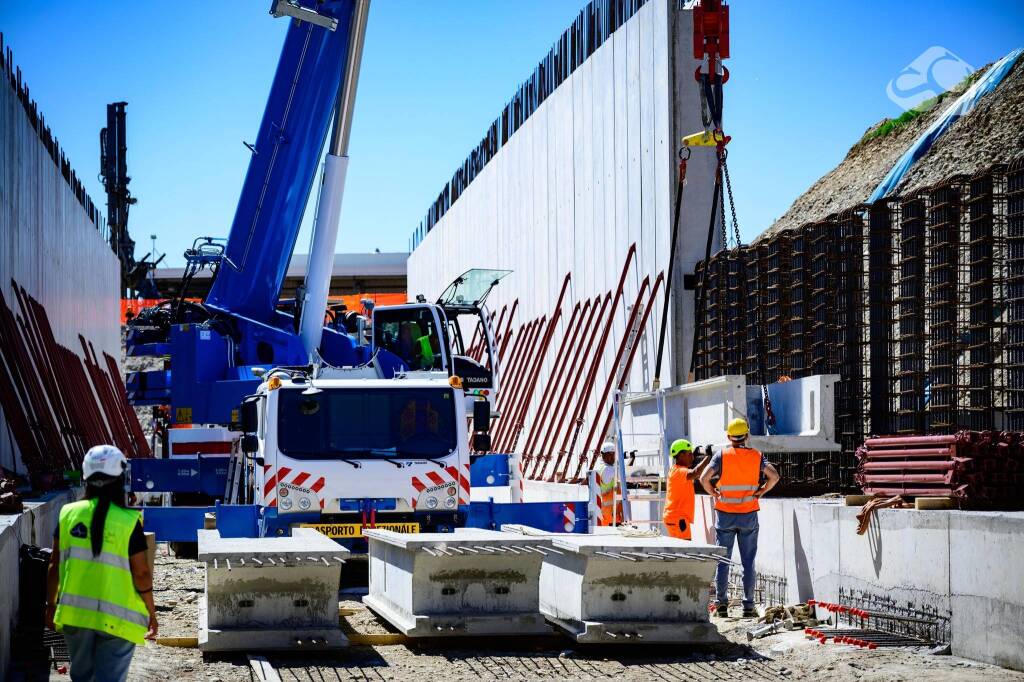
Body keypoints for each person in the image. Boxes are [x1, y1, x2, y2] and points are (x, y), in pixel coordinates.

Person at [46, 445, 158, 682]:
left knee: (82, 677)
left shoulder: (68, 514)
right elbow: (141, 573)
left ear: (86, 476)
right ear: (120, 479)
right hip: (118, 621)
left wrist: (50, 605)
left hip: (75, 616)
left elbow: (54, 565)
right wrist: (151, 610)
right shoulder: (128, 521)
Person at [698, 418, 780, 619]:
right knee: (748, 562)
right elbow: (775, 477)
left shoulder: (722, 455)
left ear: (729, 437)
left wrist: (714, 493)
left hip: (725, 515)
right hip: (748, 515)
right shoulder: (757, 456)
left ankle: (722, 606)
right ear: (747, 436)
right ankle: (748, 606)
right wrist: (761, 491)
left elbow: (703, 478)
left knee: (723, 561)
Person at [663, 440, 711, 540]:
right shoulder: (679, 471)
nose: (692, 458)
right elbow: (695, 472)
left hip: (675, 517)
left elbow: (693, 471)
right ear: (681, 455)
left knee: (680, 549)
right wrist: (708, 457)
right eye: (689, 454)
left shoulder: (676, 470)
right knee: (685, 550)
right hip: (678, 519)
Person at [597, 441, 623, 526]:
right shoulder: (609, 470)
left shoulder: (602, 467)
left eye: (613, 454)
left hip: (608, 513)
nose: (612, 457)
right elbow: (624, 474)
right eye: (609, 454)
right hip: (611, 515)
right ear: (603, 455)